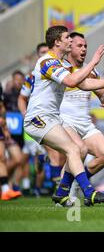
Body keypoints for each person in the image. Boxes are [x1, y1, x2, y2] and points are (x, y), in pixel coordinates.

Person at [23, 25, 104, 206]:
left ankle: (62, 193)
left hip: (52, 118)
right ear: (57, 42)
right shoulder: (46, 62)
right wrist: (93, 62)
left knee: (79, 150)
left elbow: (84, 84)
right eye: (67, 38)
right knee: (74, 149)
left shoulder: (61, 64)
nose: (70, 41)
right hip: (38, 119)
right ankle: (89, 192)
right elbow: (72, 80)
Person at [58, 32, 104, 204]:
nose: (83, 49)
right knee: (78, 150)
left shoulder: (92, 71)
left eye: (85, 46)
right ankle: (64, 196)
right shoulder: (61, 69)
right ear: (69, 48)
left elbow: (102, 93)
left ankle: (76, 181)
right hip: (65, 122)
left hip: (85, 124)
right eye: (79, 46)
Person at [18, 43, 65, 193]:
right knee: (55, 153)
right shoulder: (32, 77)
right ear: (38, 56)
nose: (45, 54)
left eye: (47, 51)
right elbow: (21, 98)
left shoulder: (58, 70)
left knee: (60, 154)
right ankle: (57, 189)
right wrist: (25, 113)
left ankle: (44, 162)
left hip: (52, 117)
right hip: (37, 120)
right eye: (42, 52)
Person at [3, 70, 26, 193]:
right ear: (12, 80)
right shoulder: (6, 95)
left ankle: (11, 185)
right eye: (15, 79)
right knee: (16, 159)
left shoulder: (26, 95)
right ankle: (5, 181)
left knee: (20, 161)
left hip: (22, 133)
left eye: (20, 79)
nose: (17, 82)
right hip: (9, 133)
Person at [0, 84, 22, 200]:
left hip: (2, 128)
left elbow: (1, 106)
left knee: (13, 157)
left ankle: (5, 189)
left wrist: (5, 128)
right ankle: (5, 189)